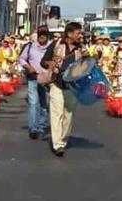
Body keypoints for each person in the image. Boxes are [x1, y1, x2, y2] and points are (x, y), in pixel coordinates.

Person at [40, 22, 84, 157]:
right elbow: (44, 61)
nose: (80, 35)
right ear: (70, 34)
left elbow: (88, 65)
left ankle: (63, 139)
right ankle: (57, 144)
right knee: (56, 114)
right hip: (56, 83)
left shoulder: (81, 48)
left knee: (68, 116)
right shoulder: (56, 44)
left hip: (72, 86)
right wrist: (50, 63)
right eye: (78, 33)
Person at [19, 25, 51, 139]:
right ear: (38, 35)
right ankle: (33, 128)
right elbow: (21, 59)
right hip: (33, 77)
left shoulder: (51, 48)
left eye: (45, 34)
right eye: (40, 34)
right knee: (33, 103)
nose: (42, 36)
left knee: (45, 103)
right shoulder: (30, 46)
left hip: (46, 79)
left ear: (47, 35)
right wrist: (28, 67)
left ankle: (42, 126)